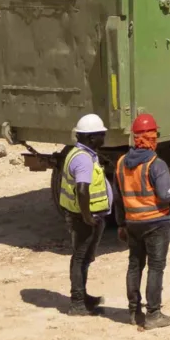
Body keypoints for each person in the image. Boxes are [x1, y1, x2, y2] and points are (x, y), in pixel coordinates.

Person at [113, 113, 170, 330]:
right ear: (152, 136)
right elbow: (166, 194)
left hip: (133, 222)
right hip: (156, 223)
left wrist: (121, 224)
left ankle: (134, 312)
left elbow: (118, 198)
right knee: (155, 267)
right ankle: (153, 314)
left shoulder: (121, 163)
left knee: (135, 265)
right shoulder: (156, 164)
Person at [53, 113, 114, 314]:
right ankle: (78, 302)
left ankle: (82, 296)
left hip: (79, 214)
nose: (104, 138)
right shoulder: (83, 160)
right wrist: (88, 217)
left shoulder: (77, 153)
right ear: (90, 138)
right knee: (80, 257)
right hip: (84, 217)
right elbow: (82, 189)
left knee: (84, 257)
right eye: (101, 135)